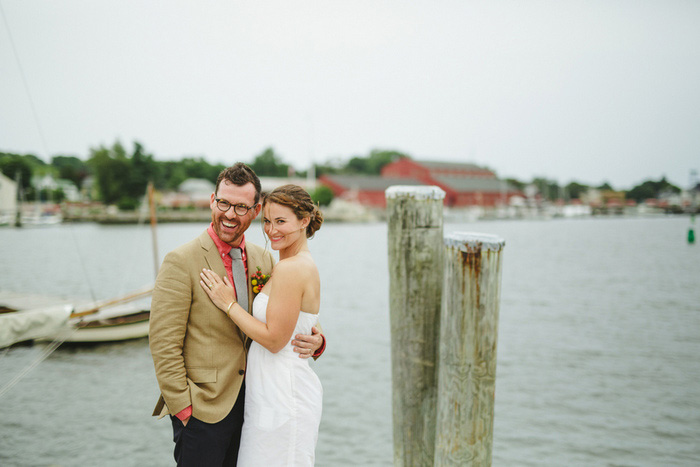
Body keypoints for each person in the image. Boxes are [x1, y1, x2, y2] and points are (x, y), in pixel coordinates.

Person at [149, 164, 325, 466]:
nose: (230, 214)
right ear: (212, 200)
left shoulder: (265, 258)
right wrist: (184, 409)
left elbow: (293, 315)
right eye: (224, 203)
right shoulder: (181, 261)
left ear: (255, 211)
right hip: (205, 410)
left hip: (258, 405)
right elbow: (163, 343)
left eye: (241, 207)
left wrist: (319, 340)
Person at [200, 184, 324, 466]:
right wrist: (319, 340)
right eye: (267, 221)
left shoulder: (292, 268)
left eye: (281, 221)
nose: (271, 230)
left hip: (283, 392)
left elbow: (274, 339)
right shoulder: (289, 263)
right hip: (269, 391)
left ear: (304, 221)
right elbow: (303, 322)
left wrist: (228, 303)